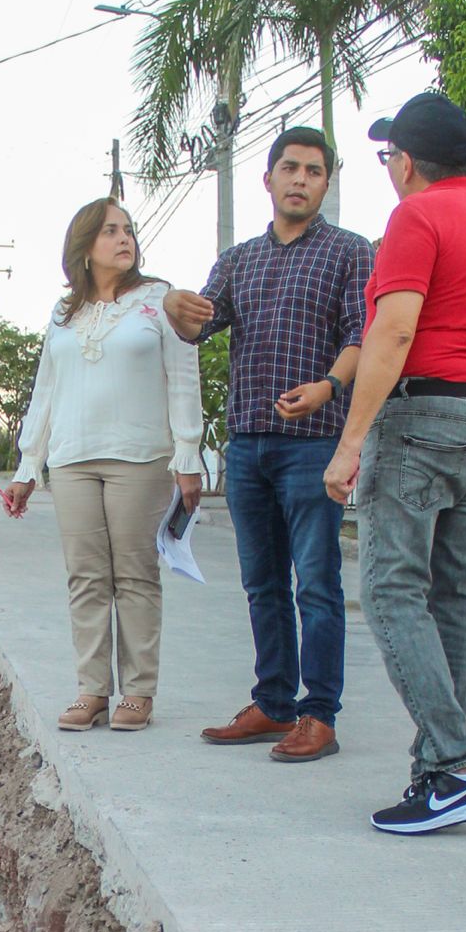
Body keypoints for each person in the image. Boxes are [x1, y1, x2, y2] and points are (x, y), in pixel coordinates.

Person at [322, 92, 466, 833]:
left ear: (406, 162)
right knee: (454, 598)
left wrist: (351, 442)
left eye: (388, 159)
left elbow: (394, 327)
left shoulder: (417, 216)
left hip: (420, 419)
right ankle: (440, 777)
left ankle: (457, 762)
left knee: (387, 591)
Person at [163, 128, 374, 761]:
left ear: (327, 184)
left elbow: (363, 336)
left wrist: (329, 387)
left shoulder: (350, 252)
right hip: (249, 444)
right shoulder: (238, 259)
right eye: (290, 168)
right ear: (269, 179)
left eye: (314, 171)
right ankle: (274, 701)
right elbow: (198, 325)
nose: (301, 180)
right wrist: (173, 304)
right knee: (262, 584)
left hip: (312, 443)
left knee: (316, 582)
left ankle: (319, 714)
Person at [5, 197, 204, 733]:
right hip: (71, 459)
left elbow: (184, 379)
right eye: (111, 231)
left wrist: (189, 456)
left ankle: (137, 692)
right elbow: (45, 390)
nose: (125, 239)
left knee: (135, 575)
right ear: (85, 246)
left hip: (139, 458)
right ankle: (92, 688)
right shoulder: (63, 313)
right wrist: (29, 465)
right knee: (86, 577)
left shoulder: (159, 301)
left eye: (129, 230)